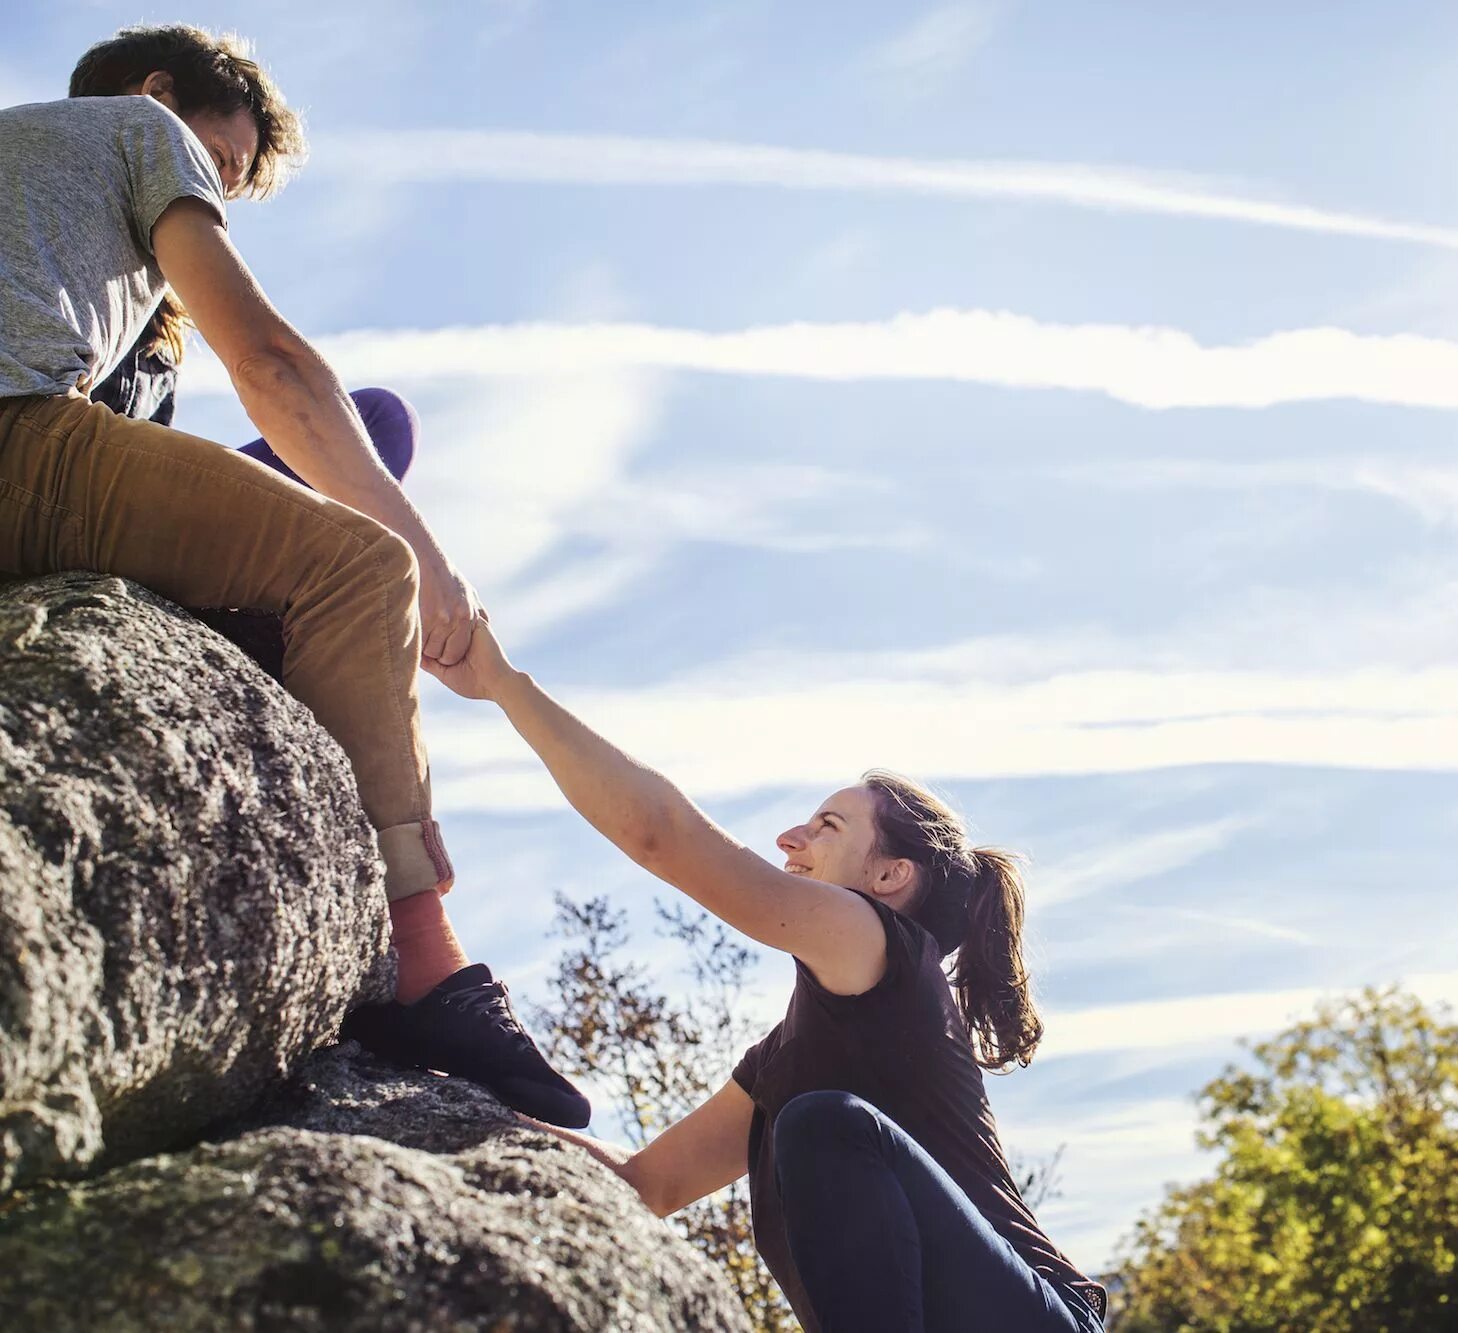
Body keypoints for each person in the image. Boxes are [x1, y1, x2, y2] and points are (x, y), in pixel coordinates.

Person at [0, 24, 586, 1125]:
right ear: (162, 94)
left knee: (375, 427)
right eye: (219, 166)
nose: (215, 191)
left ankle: (299, 680)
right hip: (17, 448)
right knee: (361, 569)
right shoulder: (136, 127)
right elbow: (270, 365)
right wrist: (430, 568)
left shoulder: (41, 192)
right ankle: (421, 960)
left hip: (49, 458)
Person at [424, 619, 1109, 1333]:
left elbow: (662, 834)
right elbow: (647, 1184)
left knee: (824, 1124)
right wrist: (454, 1106)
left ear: (888, 875)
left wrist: (503, 681)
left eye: (827, 826)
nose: (791, 837)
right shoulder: (789, 1058)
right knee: (815, 1120)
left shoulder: (887, 948)